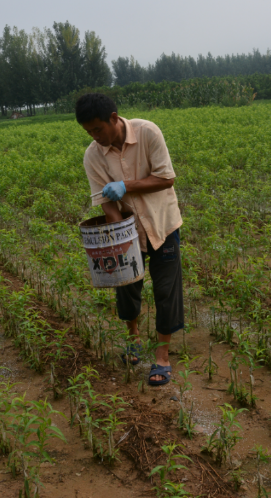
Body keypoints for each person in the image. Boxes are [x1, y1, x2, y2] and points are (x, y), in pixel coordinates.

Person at [76, 93, 183, 386]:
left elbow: (166, 178)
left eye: (98, 129)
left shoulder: (148, 132)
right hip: (126, 229)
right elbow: (105, 201)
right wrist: (120, 238)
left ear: (113, 118)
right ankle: (133, 339)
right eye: (89, 132)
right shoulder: (92, 155)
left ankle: (162, 356)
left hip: (162, 224)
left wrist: (126, 187)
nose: (95, 137)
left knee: (166, 291)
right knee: (127, 289)